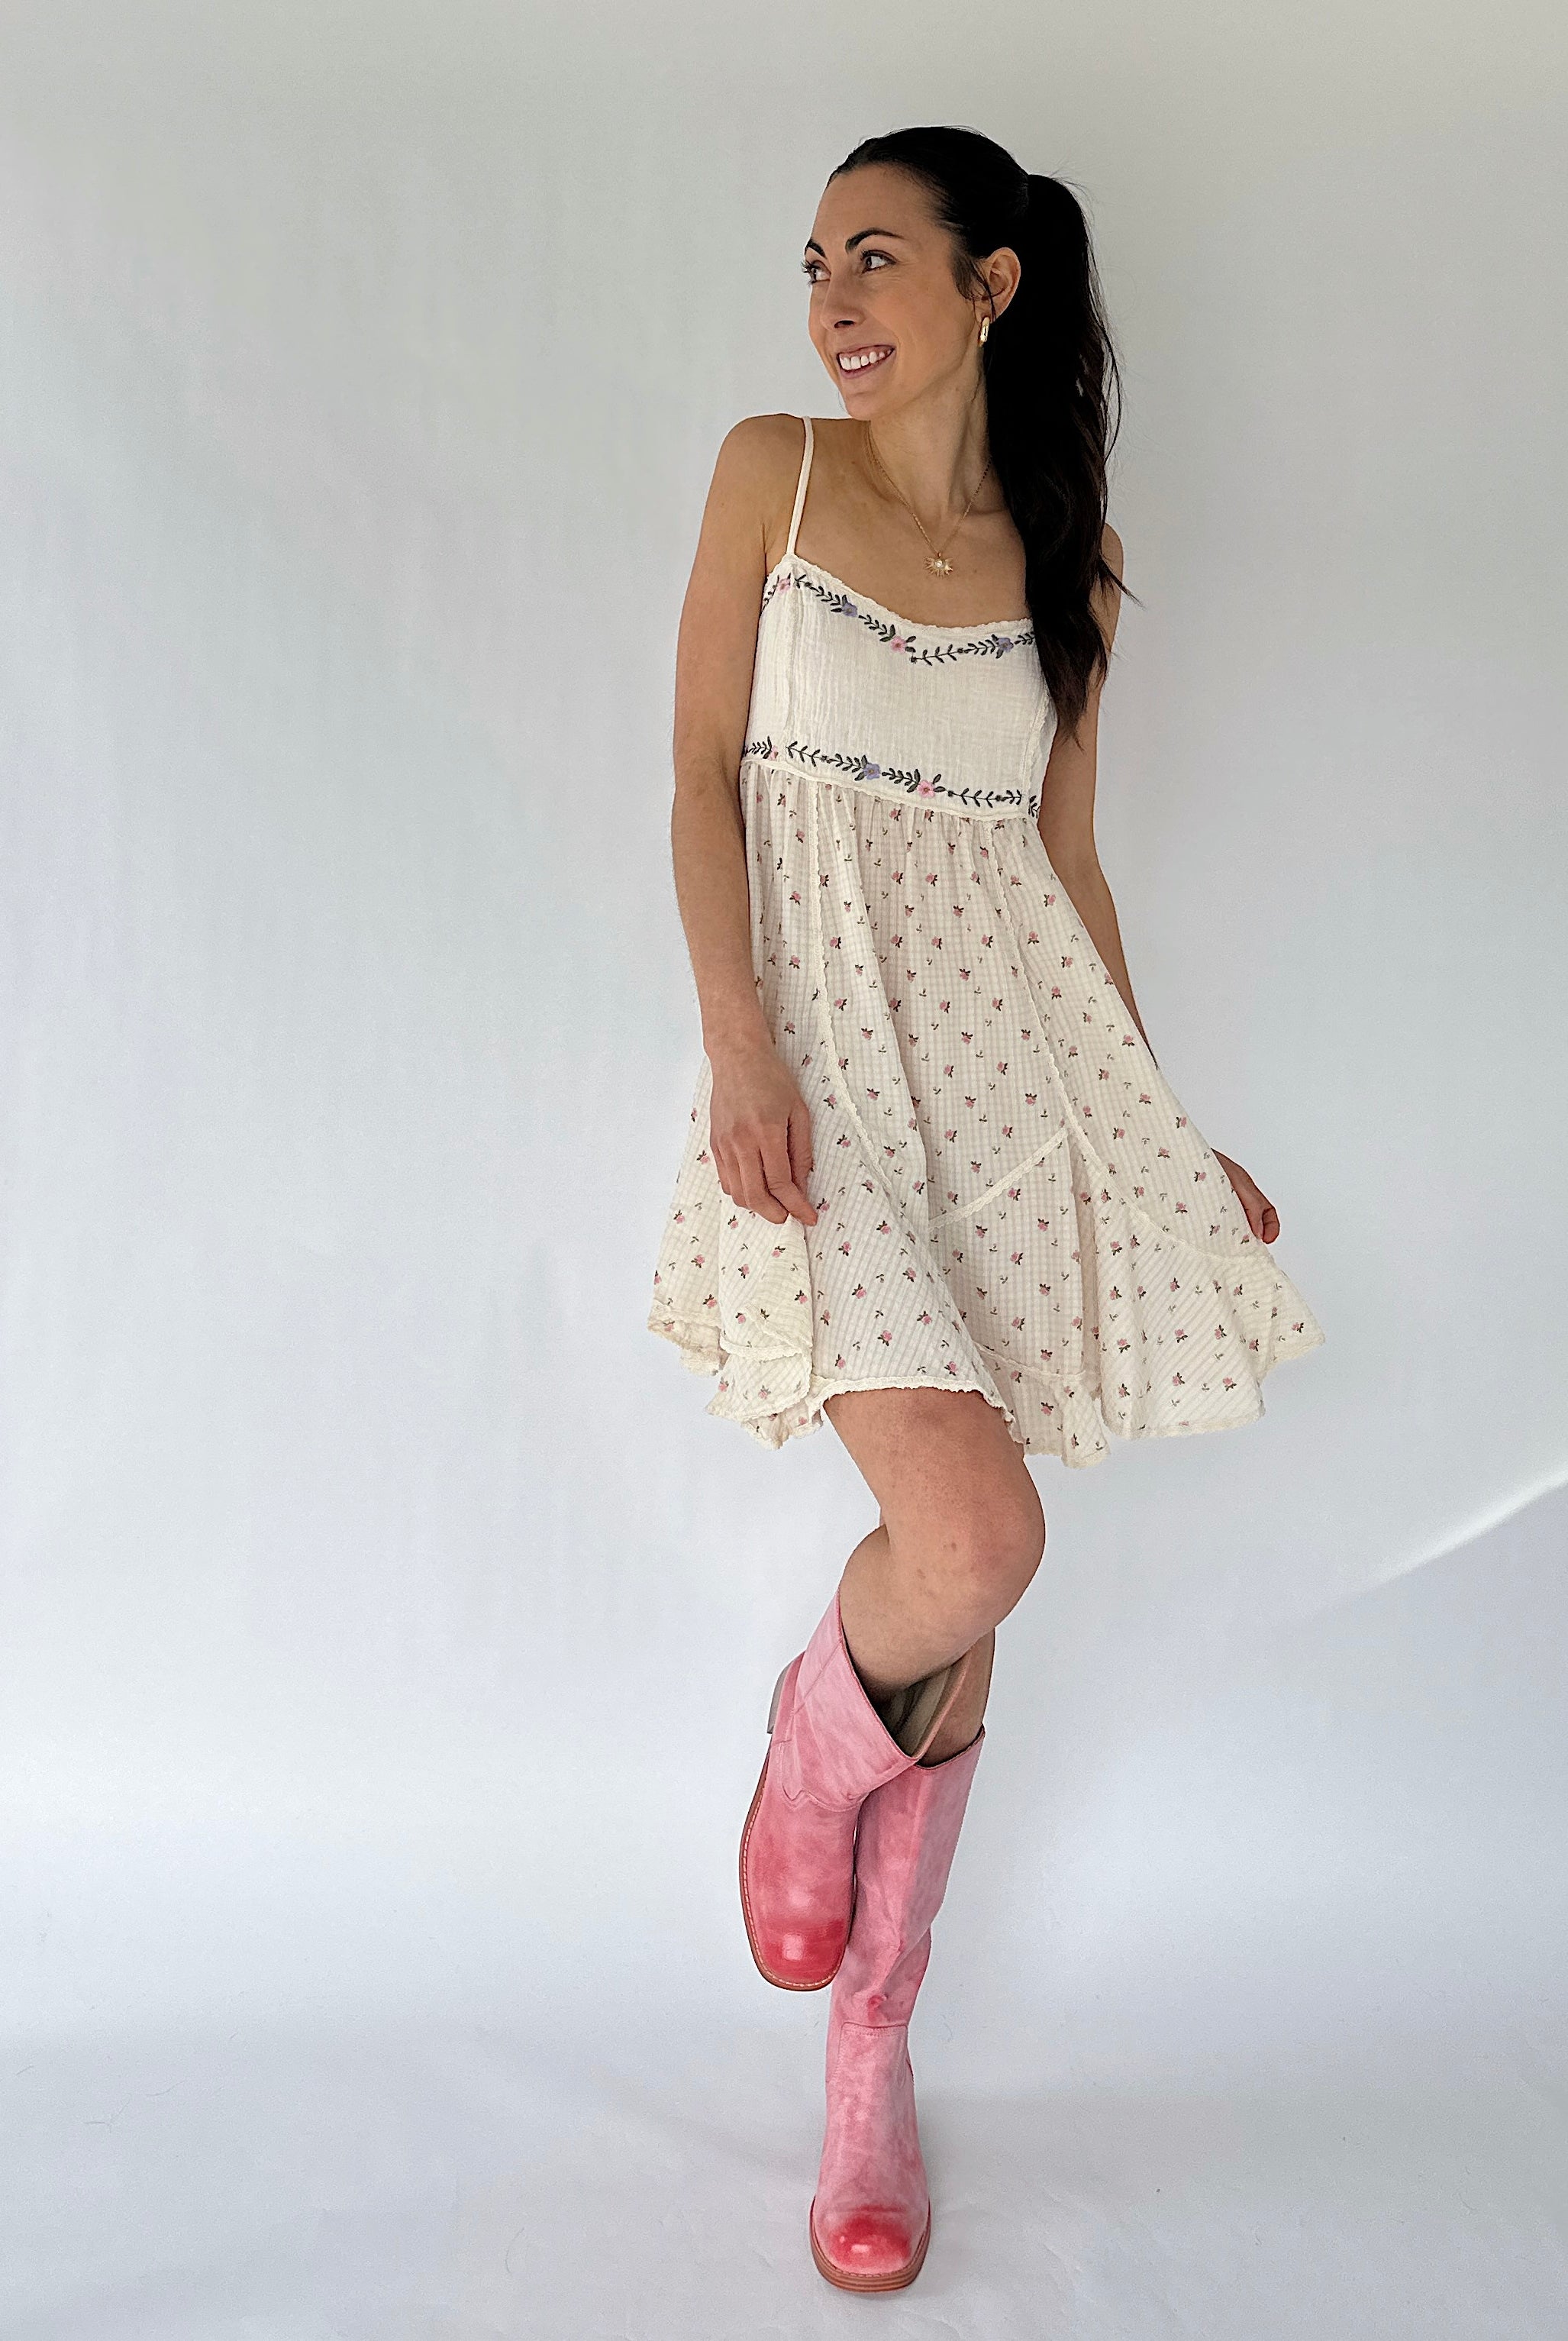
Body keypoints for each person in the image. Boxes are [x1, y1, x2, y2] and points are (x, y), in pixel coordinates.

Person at [647, 124, 1325, 2292]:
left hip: (1017, 1085)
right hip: (827, 1073)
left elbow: (1068, 862)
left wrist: (1156, 1123)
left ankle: (872, 2068)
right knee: (972, 1534)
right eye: (815, 264)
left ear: (993, 286)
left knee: (976, 1576)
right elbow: (693, 774)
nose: (834, 301)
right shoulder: (773, 470)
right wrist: (743, 1049)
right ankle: (799, 1748)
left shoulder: (1076, 562)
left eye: (878, 259)